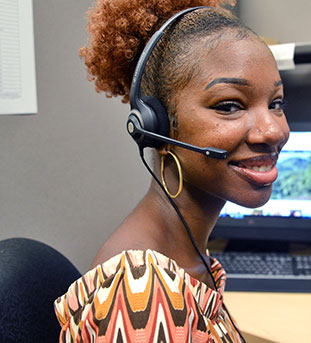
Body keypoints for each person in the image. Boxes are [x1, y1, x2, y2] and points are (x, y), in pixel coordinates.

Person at [54, 1, 290, 342]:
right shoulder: (139, 295)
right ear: (156, 126)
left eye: (276, 103)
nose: (272, 130)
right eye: (229, 105)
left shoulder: (189, 255)